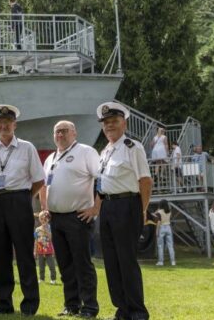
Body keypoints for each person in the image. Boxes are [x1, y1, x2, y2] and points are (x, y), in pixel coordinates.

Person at [0, 104, 44, 316]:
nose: (3, 126)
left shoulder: (27, 147)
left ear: (14, 124)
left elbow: (39, 179)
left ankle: (29, 305)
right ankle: (3, 303)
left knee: (25, 254)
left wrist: (25, 197)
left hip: (19, 200)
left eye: (7, 122)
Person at [38, 120, 100, 318]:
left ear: (74, 133)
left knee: (82, 264)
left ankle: (89, 307)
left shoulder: (86, 152)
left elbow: (102, 178)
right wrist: (44, 208)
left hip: (78, 217)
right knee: (64, 264)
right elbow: (43, 185)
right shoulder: (50, 159)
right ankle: (71, 305)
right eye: (56, 132)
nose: (60, 135)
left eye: (64, 131)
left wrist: (95, 208)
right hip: (56, 219)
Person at [95, 101, 151, 320]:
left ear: (124, 124)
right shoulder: (105, 151)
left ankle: (137, 311)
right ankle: (122, 309)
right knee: (111, 261)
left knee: (126, 260)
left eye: (114, 121)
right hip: (107, 207)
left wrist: (142, 210)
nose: (110, 126)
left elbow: (145, 181)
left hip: (127, 205)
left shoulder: (132, 147)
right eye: (106, 123)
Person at [34, 211, 57, 285]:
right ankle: (41, 279)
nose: (43, 220)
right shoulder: (37, 229)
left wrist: (46, 229)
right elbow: (36, 241)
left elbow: (50, 238)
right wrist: (35, 251)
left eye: (45, 218)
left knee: (52, 266)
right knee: (41, 266)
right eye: (41, 218)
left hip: (49, 251)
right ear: (39, 219)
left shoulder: (50, 228)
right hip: (40, 251)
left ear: (48, 219)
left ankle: (53, 279)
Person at [154, 200, 176, 266]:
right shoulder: (169, 211)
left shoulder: (159, 212)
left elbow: (158, 222)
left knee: (160, 246)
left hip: (161, 227)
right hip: (168, 227)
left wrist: (156, 231)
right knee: (170, 245)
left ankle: (161, 261)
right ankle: (173, 261)